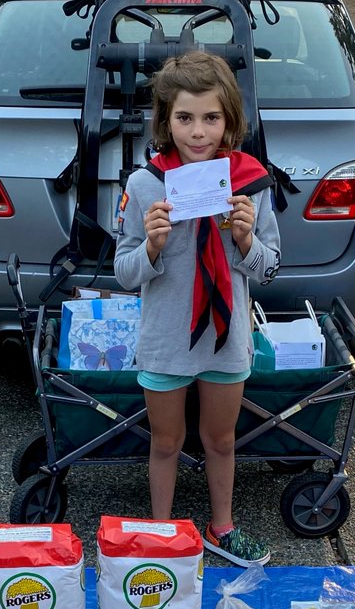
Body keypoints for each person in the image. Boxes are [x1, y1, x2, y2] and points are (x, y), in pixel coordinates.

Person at [114, 51, 281, 567]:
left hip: (225, 339)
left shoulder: (250, 185)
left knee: (221, 438)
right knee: (165, 441)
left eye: (211, 117)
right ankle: (161, 536)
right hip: (166, 340)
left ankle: (222, 528)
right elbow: (123, 271)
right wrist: (153, 249)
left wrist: (247, 239)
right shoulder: (145, 185)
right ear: (166, 122)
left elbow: (270, 269)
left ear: (230, 120)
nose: (198, 131)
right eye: (184, 118)